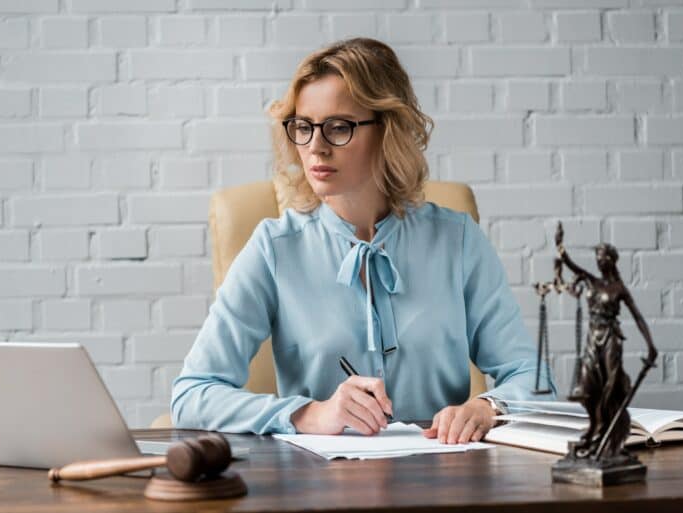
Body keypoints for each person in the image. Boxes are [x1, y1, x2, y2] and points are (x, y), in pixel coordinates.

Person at [171, 38, 554, 444]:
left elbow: (533, 378)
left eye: (338, 127)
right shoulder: (274, 248)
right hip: (318, 487)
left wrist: (487, 408)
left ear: (387, 130)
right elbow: (192, 394)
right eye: (303, 127)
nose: (315, 146)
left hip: (443, 481)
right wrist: (308, 413)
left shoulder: (457, 240)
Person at [556, 240, 657, 459]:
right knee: (588, 386)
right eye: (597, 257)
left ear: (610, 260)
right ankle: (595, 427)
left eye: (602, 257)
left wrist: (650, 345)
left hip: (611, 338)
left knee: (610, 386)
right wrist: (561, 250)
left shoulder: (618, 288)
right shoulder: (592, 281)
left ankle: (607, 434)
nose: (598, 261)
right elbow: (572, 266)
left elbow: (638, 317)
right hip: (593, 338)